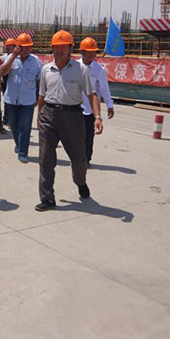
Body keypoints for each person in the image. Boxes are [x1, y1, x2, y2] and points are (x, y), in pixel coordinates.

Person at [35, 30, 103, 212]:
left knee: (78, 159)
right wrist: (39, 116)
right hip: (49, 116)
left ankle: (80, 182)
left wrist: (97, 117)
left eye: (63, 47)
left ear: (70, 49)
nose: (59, 50)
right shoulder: (46, 70)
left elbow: (92, 95)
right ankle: (47, 198)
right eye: (56, 47)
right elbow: (41, 95)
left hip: (72, 117)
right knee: (45, 159)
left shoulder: (81, 70)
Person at [0, 33, 42, 163]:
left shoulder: (36, 61)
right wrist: (13, 56)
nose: (26, 49)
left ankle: (23, 152)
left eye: (29, 47)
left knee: (25, 126)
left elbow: (39, 81)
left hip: (28, 100)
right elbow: (3, 72)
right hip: (11, 99)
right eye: (23, 47)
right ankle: (18, 144)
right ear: (18, 47)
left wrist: (38, 98)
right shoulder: (11, 58)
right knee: (13, 125)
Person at [78, 37, 115, 165]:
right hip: (76, 108)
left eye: (93, 52)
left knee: (89, 136)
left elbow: (104, 88)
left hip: (91, 109)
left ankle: (86, 159)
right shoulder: (75, 67)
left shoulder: (99, 69)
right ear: (82, 52)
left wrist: (110, 105)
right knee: (76, 136)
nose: (91, 54)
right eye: (88, 51)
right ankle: (77, 158)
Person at [0, 38, 16, 125]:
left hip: (13, 81)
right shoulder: (3, 58)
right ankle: (6, 118)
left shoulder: (17, 58)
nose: (8, 47)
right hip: (5, 80)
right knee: (7, 100)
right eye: (7, 46)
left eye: (10, 46)